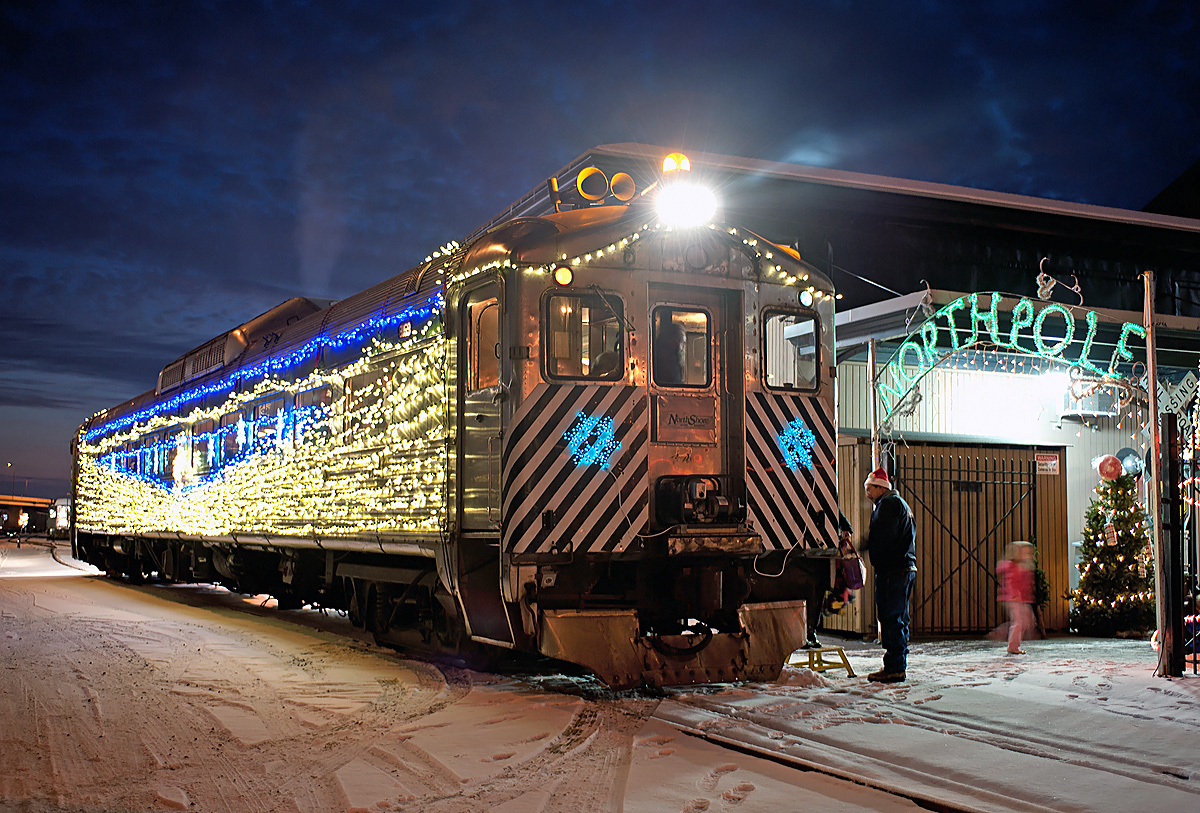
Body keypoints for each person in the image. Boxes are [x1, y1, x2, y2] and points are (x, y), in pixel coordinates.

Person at [859, 467, 917, 683]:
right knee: (899, 617)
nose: (867, 494)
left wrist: (864, 547)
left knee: (891, 617)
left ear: (879, 487)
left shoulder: (888, 505)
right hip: (903, 568)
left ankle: (894, 667)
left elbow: (883, 538)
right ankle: (897, 664)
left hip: (893, 570)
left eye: (869, 488)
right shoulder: (901, 505)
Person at [997, 541, 1036, 655]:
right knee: (1019, 622)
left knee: (1025, 622)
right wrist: (1015, 594)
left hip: (1021, 599)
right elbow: (1012, 582)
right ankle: (1012, 646)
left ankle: (1010, 641)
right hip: (1014, 598)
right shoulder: (1012, 566)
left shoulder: (1021, 566)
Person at [653, 321, 687, 385]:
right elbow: (675, 382)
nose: (682, 347)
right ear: (676, 340)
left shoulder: (657, 351)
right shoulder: (669, 359)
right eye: (682, 342)